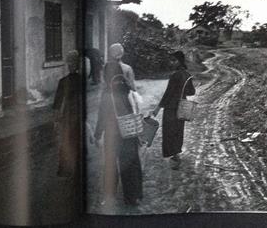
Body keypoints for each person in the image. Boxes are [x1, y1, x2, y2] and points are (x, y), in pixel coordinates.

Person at [94, 43, 143, 206]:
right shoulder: (127, 69)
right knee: (129, 160)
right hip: (127, 122)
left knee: (110, 160)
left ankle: (110, 195)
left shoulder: (107, 84)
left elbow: (102, 108)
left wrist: (97, 133)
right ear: (121, 54)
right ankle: (132, 196)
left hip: (112, 126)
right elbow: (134, 95)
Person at [153, 51, 195, 169]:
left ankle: (175, 157)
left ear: (179, 61)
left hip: (171, 107)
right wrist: (183, 91)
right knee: (178, 130)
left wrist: (157, 108)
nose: (171, 62)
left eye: (173, 60)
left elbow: (168, 94)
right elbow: (192, 92)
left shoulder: (175, 75)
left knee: (169, 131)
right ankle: (176, 154)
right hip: (181, 107)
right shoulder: (187, 74)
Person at [53, 50, 82, 178]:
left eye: (71, 62)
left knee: (67, 141)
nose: (71, 64)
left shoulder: (63, 81)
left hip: (69, 115)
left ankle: (66, 169)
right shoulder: (81, 81)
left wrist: (56, 121)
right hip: (78, 114)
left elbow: (57, 104)